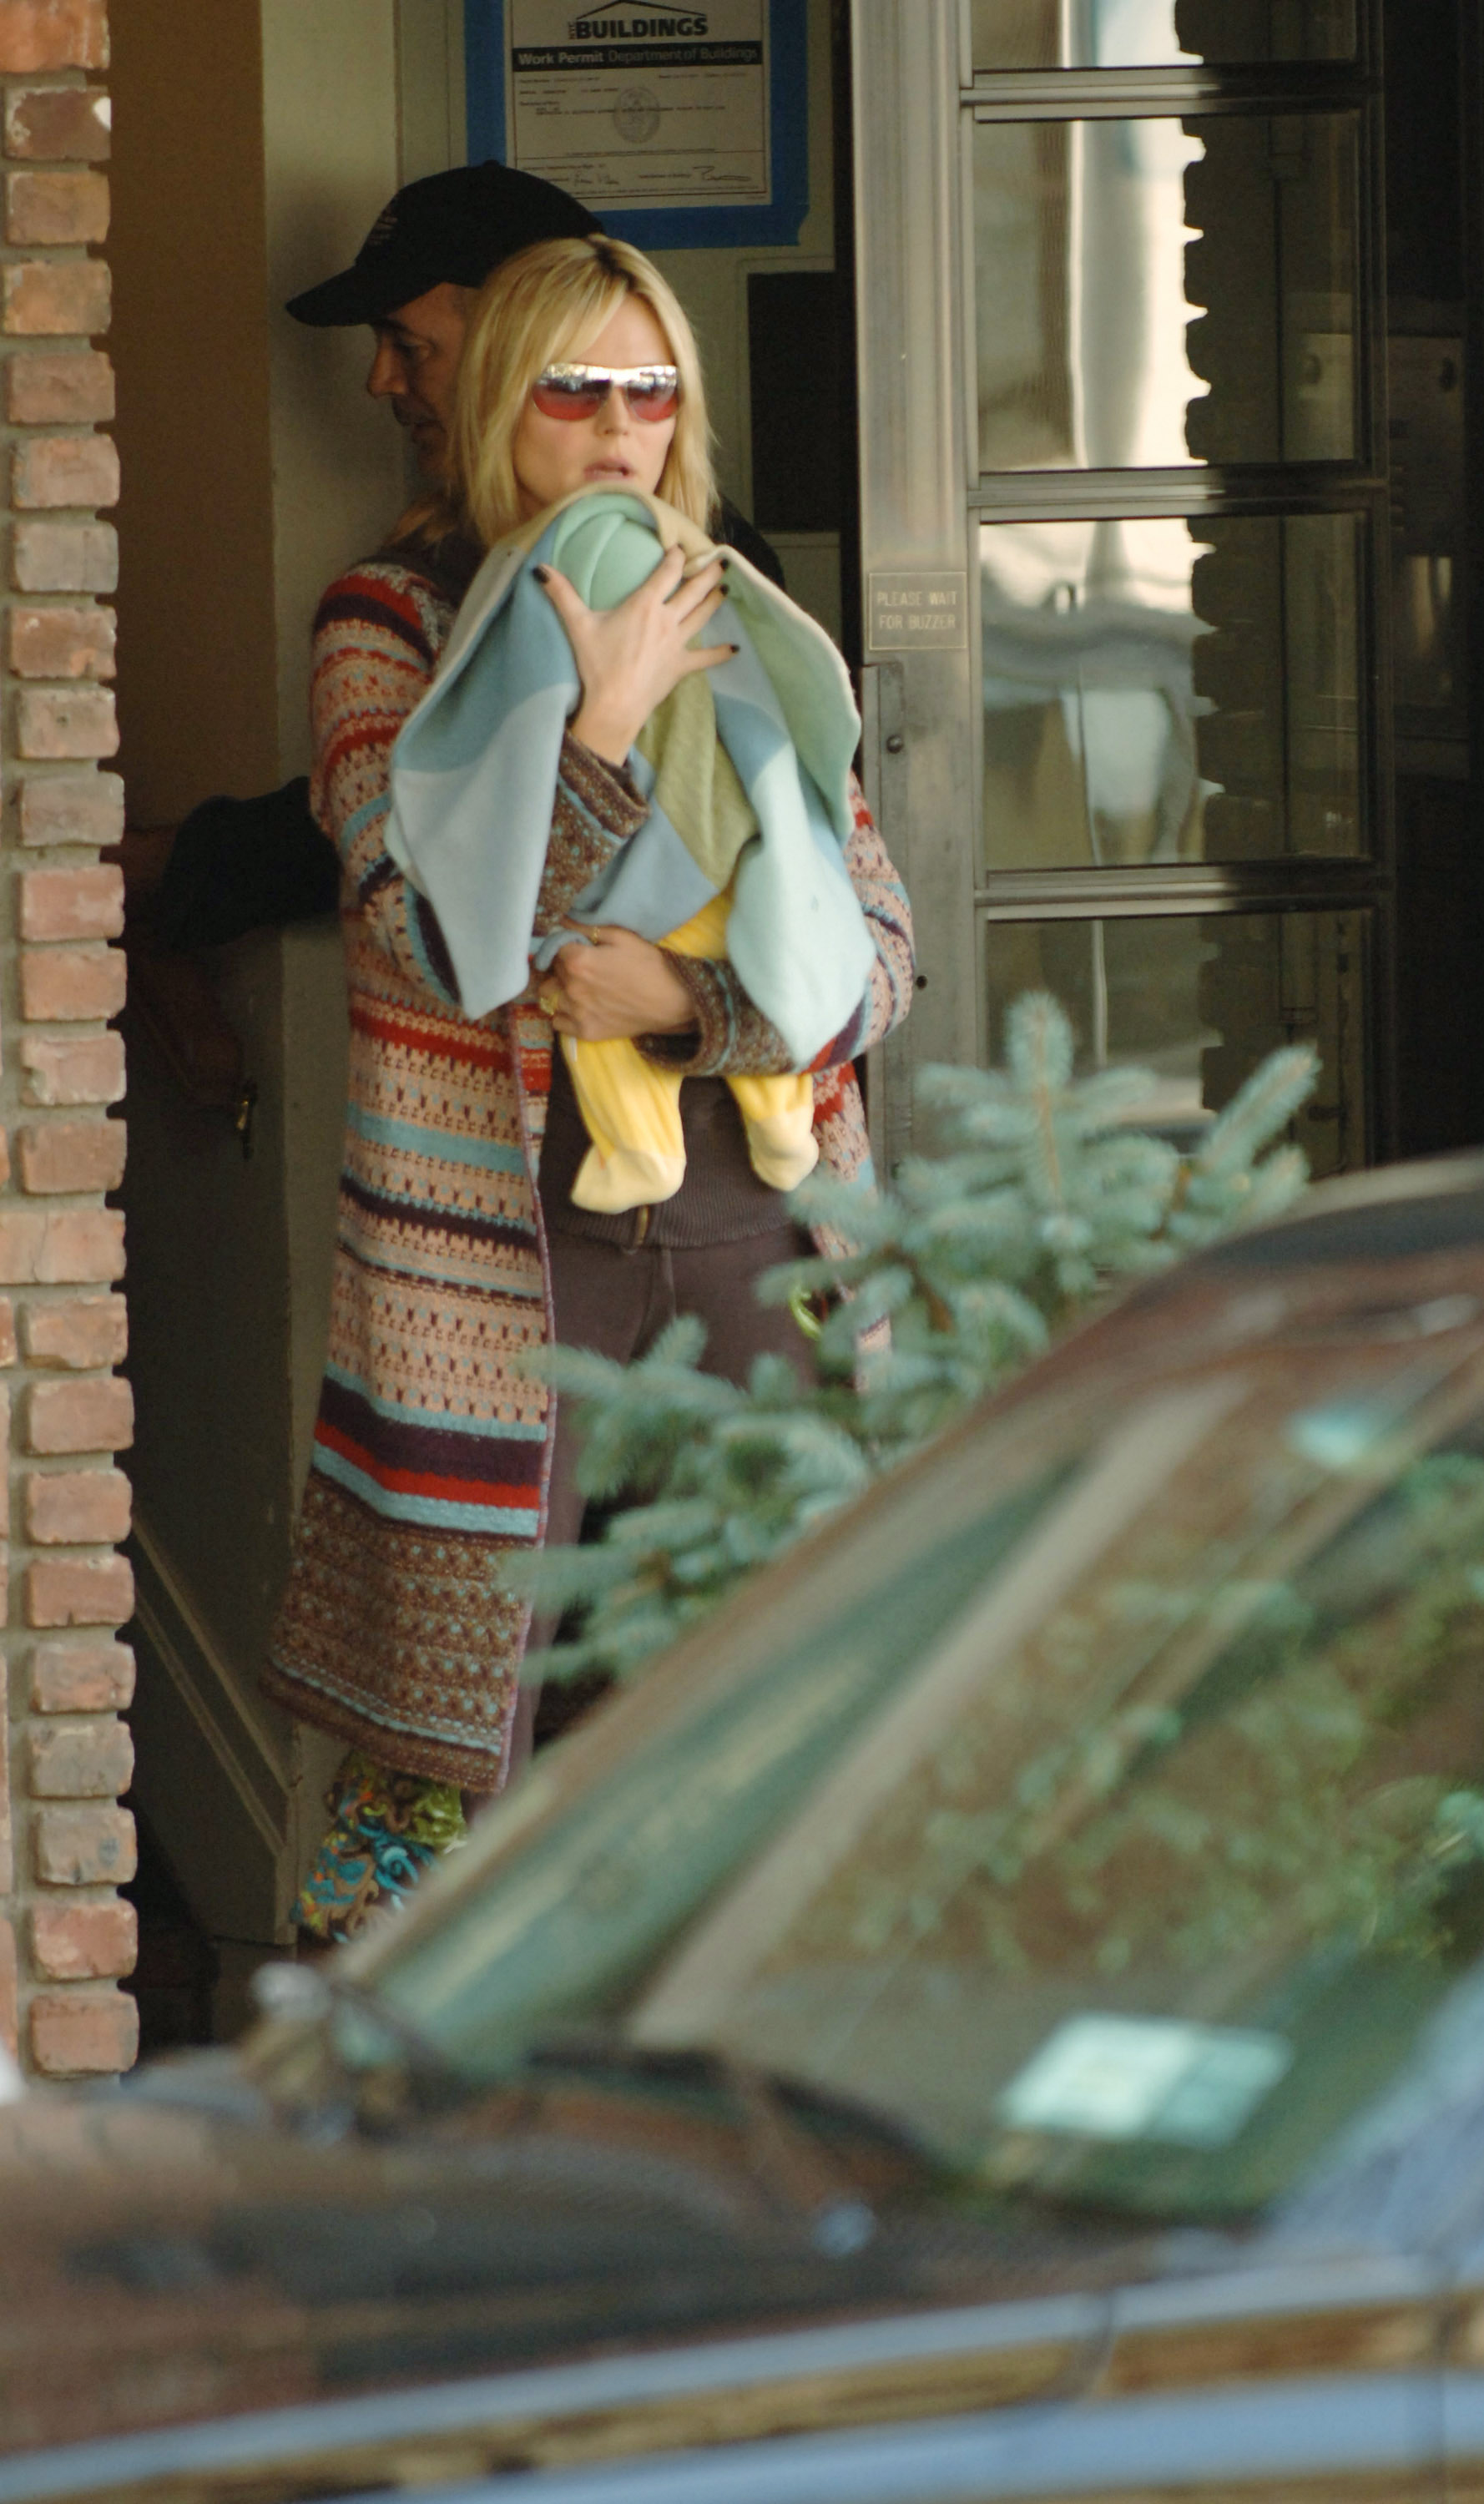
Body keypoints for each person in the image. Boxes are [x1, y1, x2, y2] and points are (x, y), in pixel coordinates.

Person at [261, 234, 914, 1949]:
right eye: (575, 388)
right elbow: (421, 937)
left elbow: (880, 947)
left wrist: (693, 1003)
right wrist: (602, 743)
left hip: (756, 1222)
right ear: (500, 404)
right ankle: (404, 2133)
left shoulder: (739, 610)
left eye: (653, 388)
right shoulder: (386, 621)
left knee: (760, 1697)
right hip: (501, 1255)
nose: (620, 426)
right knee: (456, 1750)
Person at [149, 161, 786, 951]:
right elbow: (408, 860)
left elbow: (833, 901)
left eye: (409, 346)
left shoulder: (721, 581)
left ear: (509, 344)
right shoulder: (400, 600)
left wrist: (683, 1005)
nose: (379, 380)